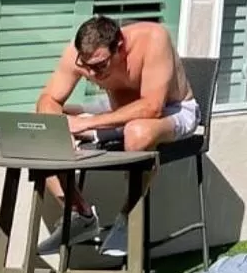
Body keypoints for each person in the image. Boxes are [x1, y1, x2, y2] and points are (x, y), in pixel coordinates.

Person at [33, 13, 197, 260]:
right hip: (116, 112)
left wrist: (82, 125)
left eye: (100, 66)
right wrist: (58, 127)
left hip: (172, 111)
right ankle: (80, 214)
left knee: (137, 132)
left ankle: (128, 218)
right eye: (86, 67)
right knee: (44, 127)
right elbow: (48, 99)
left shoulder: (154, 38)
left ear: (120, 46)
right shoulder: (80, 54)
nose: (93, 75)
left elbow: (152, 107)